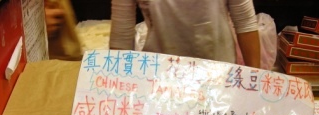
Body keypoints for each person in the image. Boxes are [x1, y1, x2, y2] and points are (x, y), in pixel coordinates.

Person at [109, 0, 261, 68]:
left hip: (219, 76)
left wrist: (256, 81)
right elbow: (121, 37)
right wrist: (117, 89)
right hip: (160, 78)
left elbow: (245, 22)